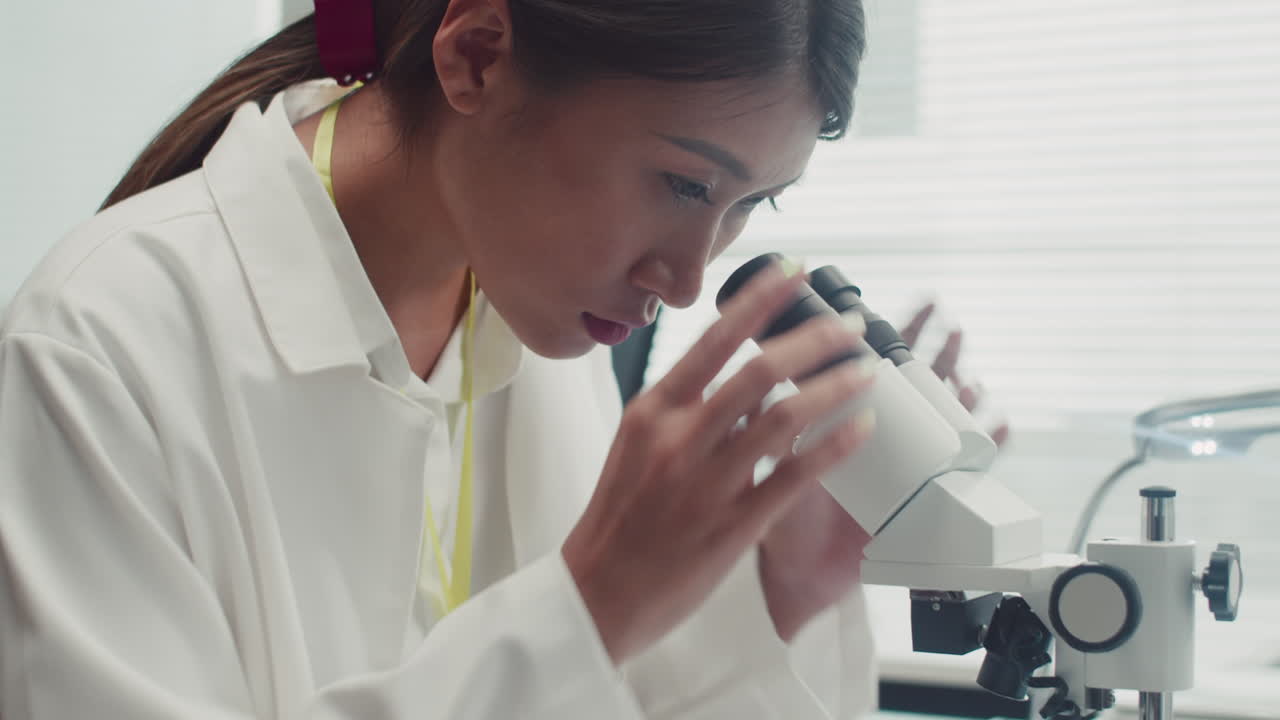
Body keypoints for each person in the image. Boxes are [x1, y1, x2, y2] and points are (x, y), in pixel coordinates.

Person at [0, 0, 991, 717]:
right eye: (684, 184)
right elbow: (564, 653)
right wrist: (584, 607)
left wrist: (781, 589)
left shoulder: (536, 320)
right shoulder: (97, 348)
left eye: (747, 207)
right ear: (476, 54)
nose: (686, 280)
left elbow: (602, 692)